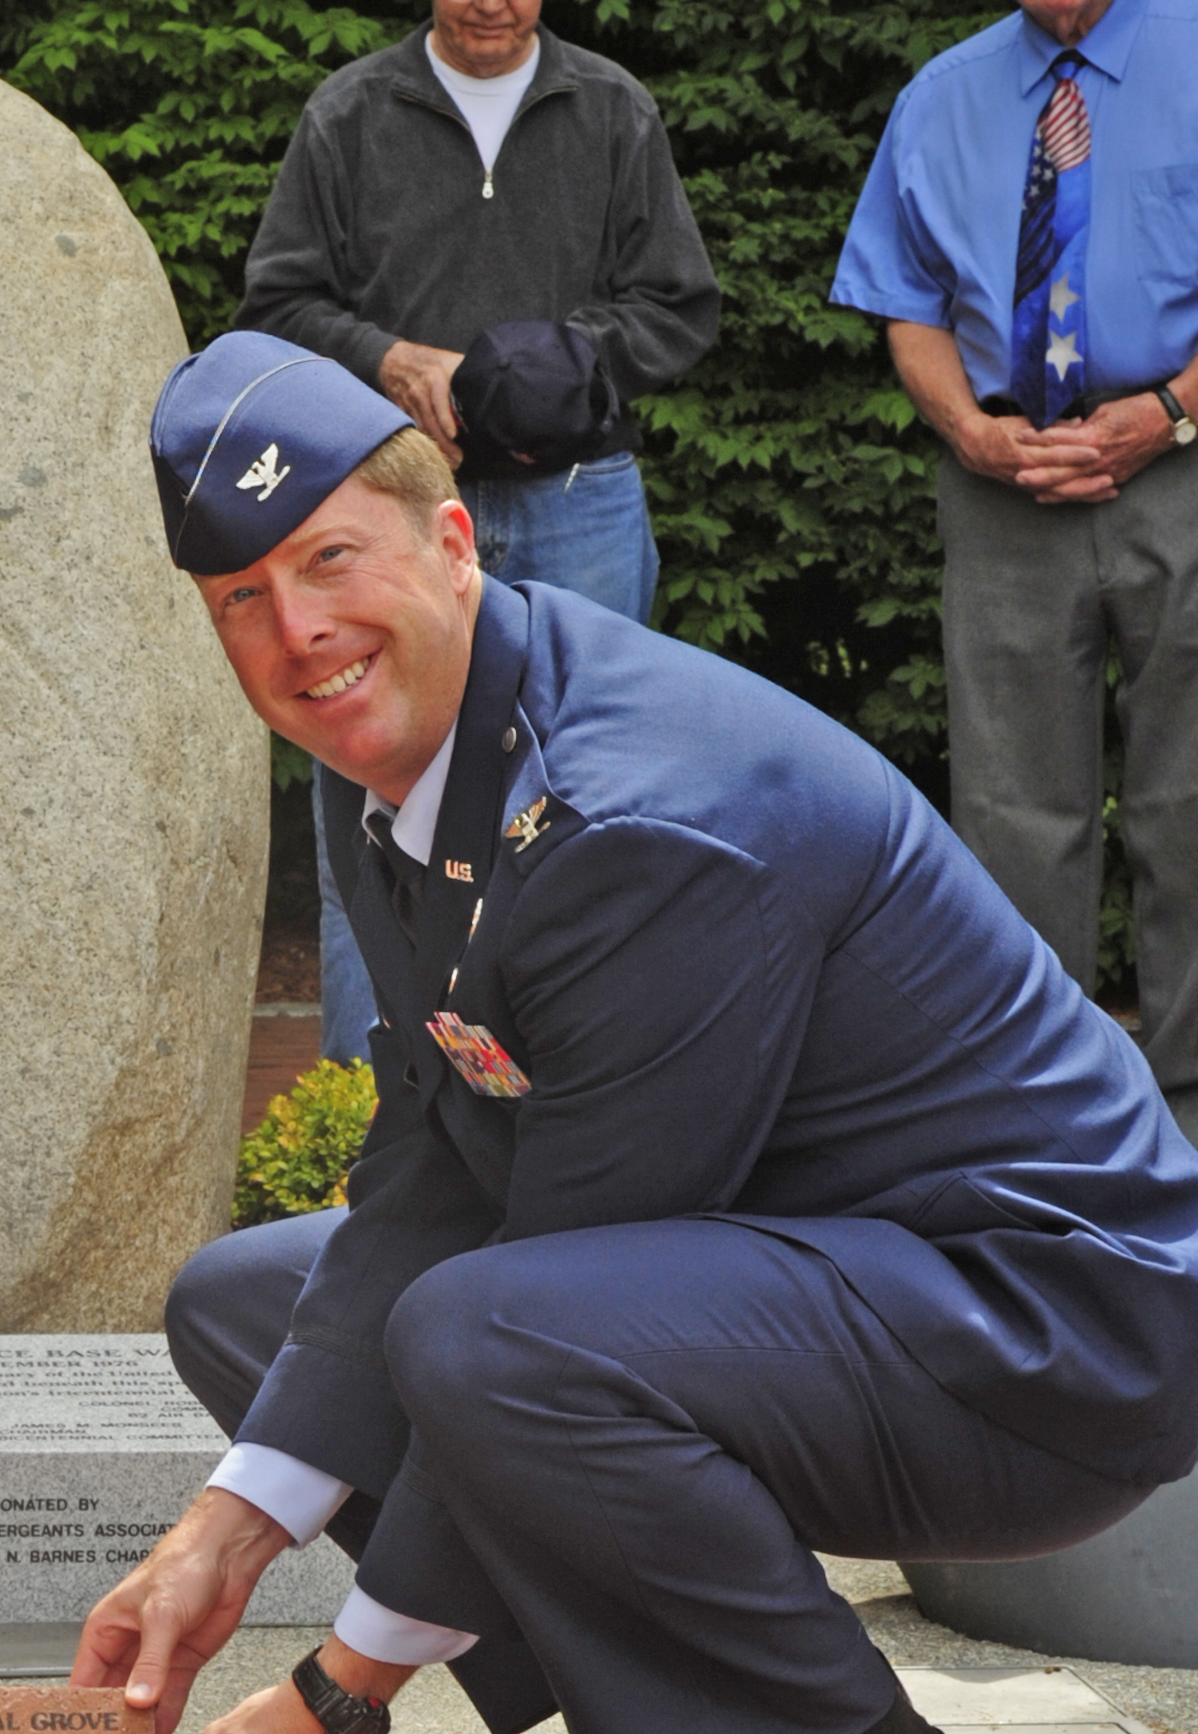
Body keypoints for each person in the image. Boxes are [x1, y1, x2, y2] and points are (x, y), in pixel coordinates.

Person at [76, 333, 1198, 1734]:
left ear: (455, 544)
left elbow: (541, 1280)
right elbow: (437, 1161)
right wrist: (227, 1529)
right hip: (831, 1277)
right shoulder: (401, 752)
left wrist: (335, 1701)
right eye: (242, 600)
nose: (297, 634)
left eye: (331, 562)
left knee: (489, 1339)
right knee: (257, 1308)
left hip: (1042, 1332)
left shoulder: (631, 822)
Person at [830, 0, 1198, 1214]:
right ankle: (1037, 1122)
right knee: (1012, 815)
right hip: (1005, 481)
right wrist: (967, 428)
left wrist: (1168, 413)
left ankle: (1193, 1134)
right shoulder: (944, 92)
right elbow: (907, 301)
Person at [236, 0, 718, 1069]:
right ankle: (373, 1108)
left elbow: (677, 304)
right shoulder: (351, 113)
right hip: (385, 514)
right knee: (372, 799)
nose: (493, 1)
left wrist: (541, 369)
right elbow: (277, 302)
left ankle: (593, 1074)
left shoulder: (611, 108)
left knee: (587, 796)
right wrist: (383, 356)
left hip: (576, 505)